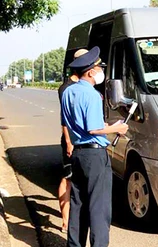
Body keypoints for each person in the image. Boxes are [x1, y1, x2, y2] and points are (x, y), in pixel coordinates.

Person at [61, 46, 128, 246]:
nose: (101, 71)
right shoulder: (91, 94)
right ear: (90, 72)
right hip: (95, 157)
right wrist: (118, 129)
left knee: (78, 205)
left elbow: (75, 124)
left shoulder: (67, 92)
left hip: (78, 154)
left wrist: (107, 126)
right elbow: (92, 129)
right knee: (99, 209)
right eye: (99, 68)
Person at [57, 48, 88, 233]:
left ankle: (79, 217)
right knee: (67, 178)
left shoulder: (87, 85)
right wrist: (68, 142)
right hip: (72, 140)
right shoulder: (66, 88)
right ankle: (65, 221)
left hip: (86, 141)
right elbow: (65, 120)